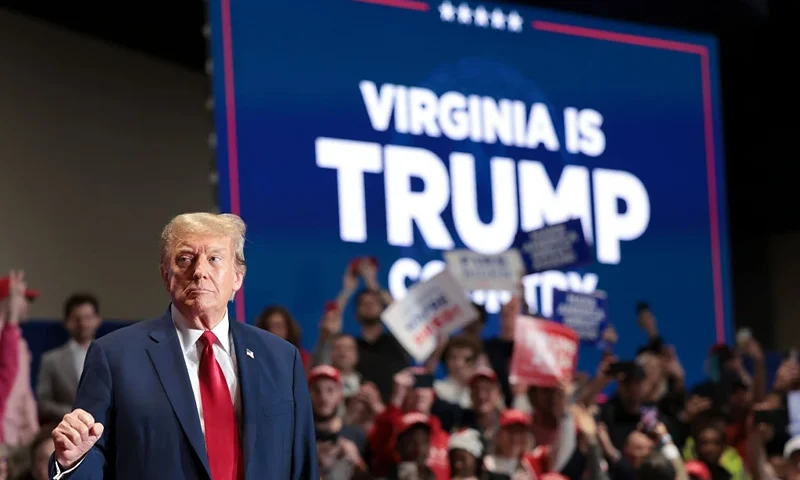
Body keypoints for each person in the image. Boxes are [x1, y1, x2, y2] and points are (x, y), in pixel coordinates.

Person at [48, 212, 317, 479]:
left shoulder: (282, 358)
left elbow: (303, 464)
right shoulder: (115, 356)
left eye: (214, 259)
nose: (199, 271)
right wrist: (72, 461)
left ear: (237, 277)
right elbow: (91, 452)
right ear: (166, 275)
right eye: (185, 259)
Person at [37, 293, 103, 423]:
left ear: (97, 320)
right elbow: (43, 404)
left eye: (88, 318)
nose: (83, 324)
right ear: (67, 322)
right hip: (63, 427)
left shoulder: (111, 356)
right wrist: (74, 414)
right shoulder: (51, 360)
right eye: (77, 319)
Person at [0, 271, 40, 448]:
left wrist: (32, 433)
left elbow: (24, 393)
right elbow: (6, 374)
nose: (28, 305)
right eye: (24, 298)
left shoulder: (19, 340)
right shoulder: (6, 337)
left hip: (16, 439)